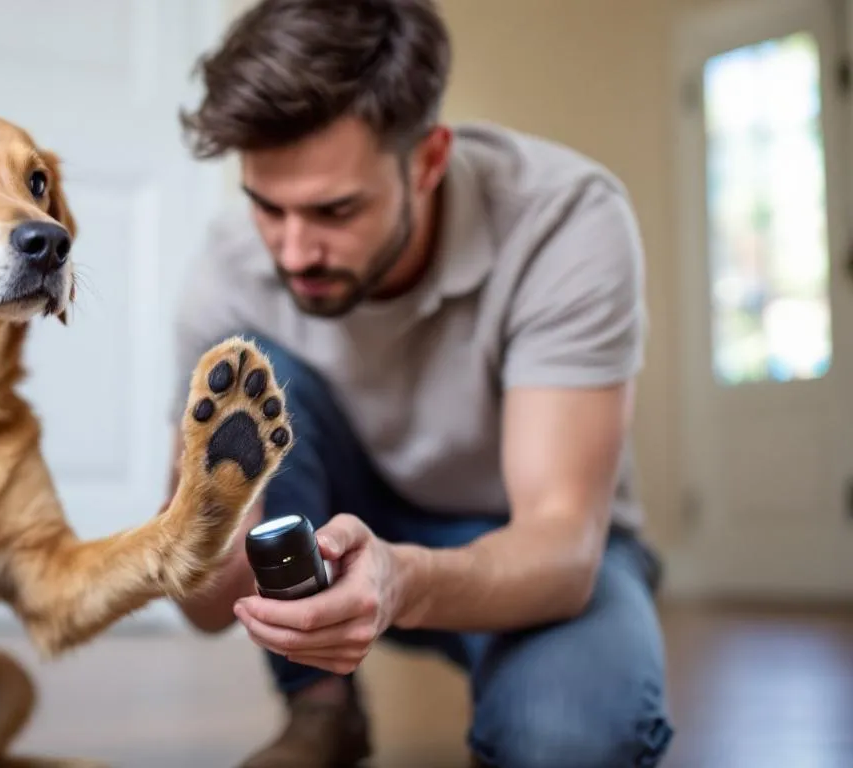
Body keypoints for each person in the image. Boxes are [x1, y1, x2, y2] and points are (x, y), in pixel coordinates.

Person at [159, 0, 676, 766]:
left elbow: (563, 543)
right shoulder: (230, 269)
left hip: (533, 545)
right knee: (258, 371)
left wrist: (406, 578)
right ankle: (321, 712)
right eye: (268, 206)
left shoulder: (564, 221)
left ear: (429, 161)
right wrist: (207, 542)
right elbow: (203, 610)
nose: (293, 250)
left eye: (335, 210)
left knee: (571, 741)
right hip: (345, 512)